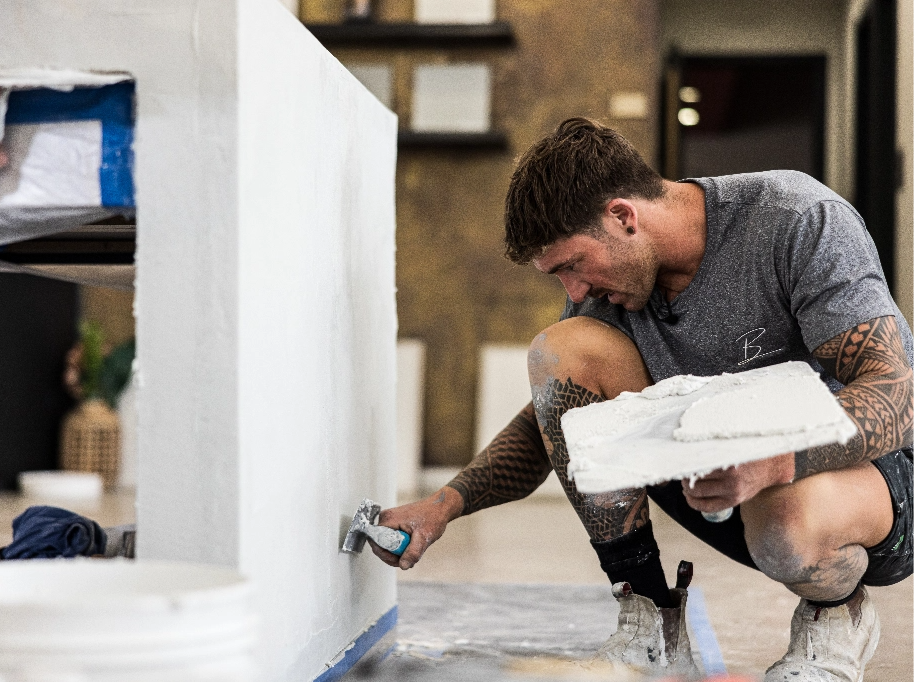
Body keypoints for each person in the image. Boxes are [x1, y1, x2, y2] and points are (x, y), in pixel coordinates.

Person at [372, 118, 914, 681]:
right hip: (726, 480)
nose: (574, 291)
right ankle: (651, 621)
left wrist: (774, 462)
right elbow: (554, 427)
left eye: (572, 266)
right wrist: (443, 508)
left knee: (784, 523)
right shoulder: (609, 297)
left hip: (870, 479)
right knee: (561, 353)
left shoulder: (795, 220)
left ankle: (835, 620)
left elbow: (897, 399)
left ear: (623, 216)